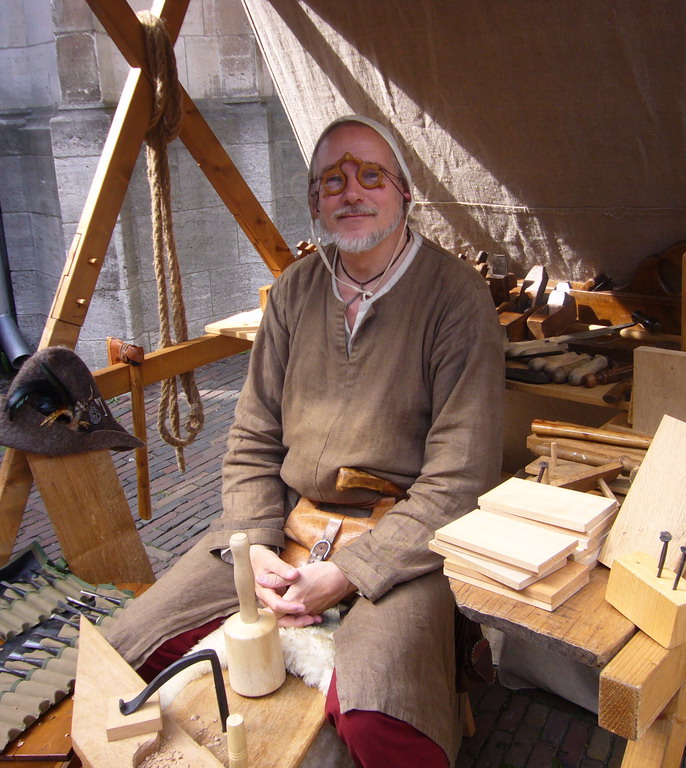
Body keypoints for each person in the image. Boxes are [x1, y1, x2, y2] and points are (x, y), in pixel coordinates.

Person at [105, 115, 504, 767]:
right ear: (316, 202)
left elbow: (459, 480)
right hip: (286, 526)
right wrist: (254, 543)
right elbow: (254, 438)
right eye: (331, 181)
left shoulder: (456, 298)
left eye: (370, 175)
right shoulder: (295, 292)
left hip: (399, 543)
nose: (351, 192)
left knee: (383, 718)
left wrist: (346, 573)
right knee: (131, 647)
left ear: (405, 192)